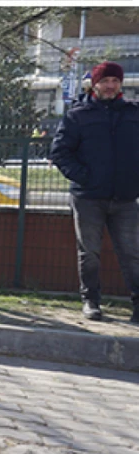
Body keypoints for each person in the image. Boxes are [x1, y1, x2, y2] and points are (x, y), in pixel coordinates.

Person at [50, 61, 139, 323]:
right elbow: (60, 152)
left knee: (132, 253)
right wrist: (85, 178)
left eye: (115, 81)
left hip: (125, 198)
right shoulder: (78, 115)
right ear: (94, 84)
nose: (110, 86)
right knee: (89, 252)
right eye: (105, 81)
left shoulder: (134, 114)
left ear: (121, 84)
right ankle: (91, 301)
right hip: (88, 198)